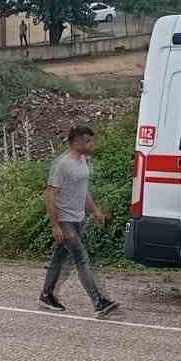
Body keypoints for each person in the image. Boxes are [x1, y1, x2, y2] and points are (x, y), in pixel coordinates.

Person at [39, 125, 121, 319]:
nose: (92, 144)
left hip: (78, 219)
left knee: (59, 258)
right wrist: (55, 225)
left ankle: (46, 295)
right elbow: (50, 195)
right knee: (81, 259)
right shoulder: (62, 164)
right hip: (65, 220)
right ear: (76, 142)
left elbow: (83, 191)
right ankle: (99, 301)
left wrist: (96, 211)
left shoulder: (83, 161)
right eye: (88, 141)